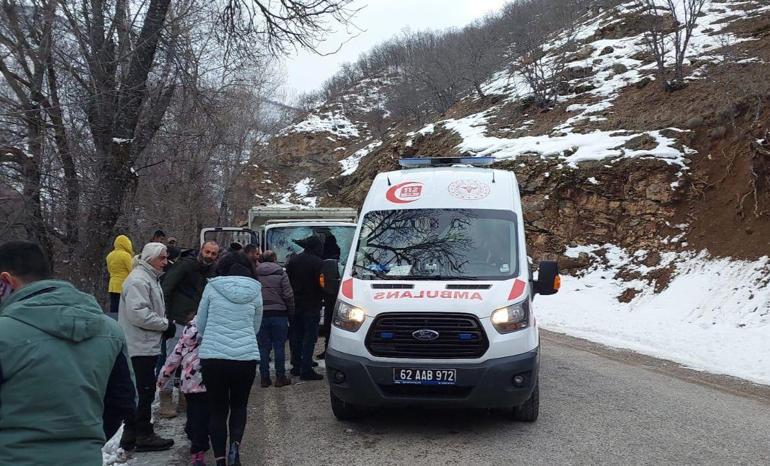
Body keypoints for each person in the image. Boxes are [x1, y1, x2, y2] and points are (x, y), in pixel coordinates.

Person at [0, 241, 134, 465]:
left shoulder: (4, 334)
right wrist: (82, 441)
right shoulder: (111, 331)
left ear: (6, 281)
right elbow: (124, 402)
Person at [198, 260, 263, 466]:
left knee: (217, 410)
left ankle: (219, 459)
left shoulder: (212, 287)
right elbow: (256, 325)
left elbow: (201, 322)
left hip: (213, 358)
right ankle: (235, 447)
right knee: (239, 406)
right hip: (245, 359)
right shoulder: (255, 291)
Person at [118, 242, 176, 452]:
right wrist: (165, 324)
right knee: (144, 390)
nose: (165, 262)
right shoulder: (139, 280)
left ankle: (131, 433)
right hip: (138, 344)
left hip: (146, 343)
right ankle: (143, 433)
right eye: (162, 258)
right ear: (150, 258)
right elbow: (139, 313)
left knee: (142, 390)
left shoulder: (149, 278)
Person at [159, 240, 220, 417]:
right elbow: (166, 289)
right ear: (201, 250)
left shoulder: (213, 271)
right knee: (172, 359)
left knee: (191, 361)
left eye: (213, 253)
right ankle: (166, 397)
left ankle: (186, 395)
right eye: (207, 252)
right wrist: (167, 318)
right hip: (178, 319)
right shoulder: (184, 266)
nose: (209, 256)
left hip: (198, 322)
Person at [157, 318, 209, 466]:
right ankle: (201, 442)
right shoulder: (215, 330)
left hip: (190, 383)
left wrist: (163, 378)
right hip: (209, 380)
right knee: (206, 414)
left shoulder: (186, 335)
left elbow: (173, 359)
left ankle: (196, 442)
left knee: (194, 413)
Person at [285, 235, 325, 380]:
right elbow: (323, 285)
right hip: (312, 304)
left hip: (295, 304)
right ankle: (306, 369)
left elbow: (287, 281)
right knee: (309, 337)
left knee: (296, 335)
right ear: (316, 247)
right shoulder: (319, 263)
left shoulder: (293, 260)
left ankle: (296, 365)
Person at [255, 250, 295, 388]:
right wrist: (291, 311)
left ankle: (264, 378)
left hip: (261, 314)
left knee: (263, 348)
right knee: (279, 346)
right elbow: (288, 294)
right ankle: (280, 377)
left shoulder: (255, 274)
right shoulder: (281, 273)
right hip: (279, 313)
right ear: (275, 259)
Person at [106, 234, 134, 318]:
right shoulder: (126, 255)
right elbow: (131, 270)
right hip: (124, 285)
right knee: (123, 309)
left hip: (112, 285)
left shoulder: (109, 255)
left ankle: (113, 322)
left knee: (114, 307)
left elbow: (109, 270)